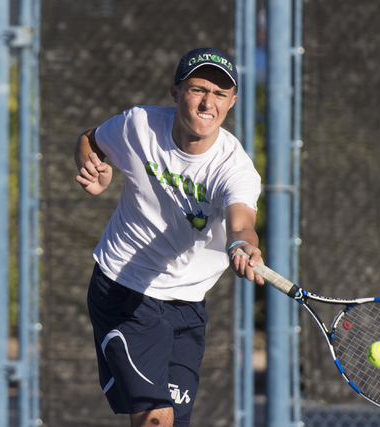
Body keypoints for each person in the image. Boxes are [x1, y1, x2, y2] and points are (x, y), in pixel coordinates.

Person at [74, 47, 264, 427]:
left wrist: (244, 244)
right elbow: (90, 140)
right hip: (124, 291)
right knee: (156, 418)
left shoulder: (236, 168)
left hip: (188, 305)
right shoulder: (138, 126)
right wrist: (91, 165)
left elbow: (241, 222)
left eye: (220, 94)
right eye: (198, 89)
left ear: (232, 102)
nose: (208, 102)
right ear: (175, 93)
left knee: (171, 421)